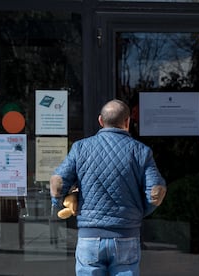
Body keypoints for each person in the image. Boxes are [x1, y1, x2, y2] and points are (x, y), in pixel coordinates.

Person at [50, 99, 167, 276]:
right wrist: (138, 212)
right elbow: (156, 192)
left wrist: (61, 204)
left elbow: (58, 183)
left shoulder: (80, 148)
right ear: (127, 122)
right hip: (126, 236)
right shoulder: (141, 151)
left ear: (100, 121)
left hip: (89, 237)